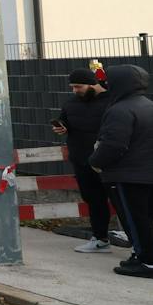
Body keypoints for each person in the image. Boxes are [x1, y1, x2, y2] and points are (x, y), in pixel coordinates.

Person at [87, 65, 153, 281]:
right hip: (152, 174)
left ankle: (149, 264)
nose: (105, 85)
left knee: (134, 220)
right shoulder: (151, 106)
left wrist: (94, 162)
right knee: (144, 219)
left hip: (128, 175)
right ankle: (140, 256)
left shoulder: (119, 110)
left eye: (108, 81)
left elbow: (113, 145)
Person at [54, 67, 118, 252]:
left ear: (93, 84)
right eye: (73, 87)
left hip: (109, 162)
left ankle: (138, 245)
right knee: (94, 201)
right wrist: (62, 127)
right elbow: (63, 120)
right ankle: (100, 238)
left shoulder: (113, 102)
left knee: (121, 203)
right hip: (82, 160)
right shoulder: (71, 103)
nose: (75, 91)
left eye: (79, 86)